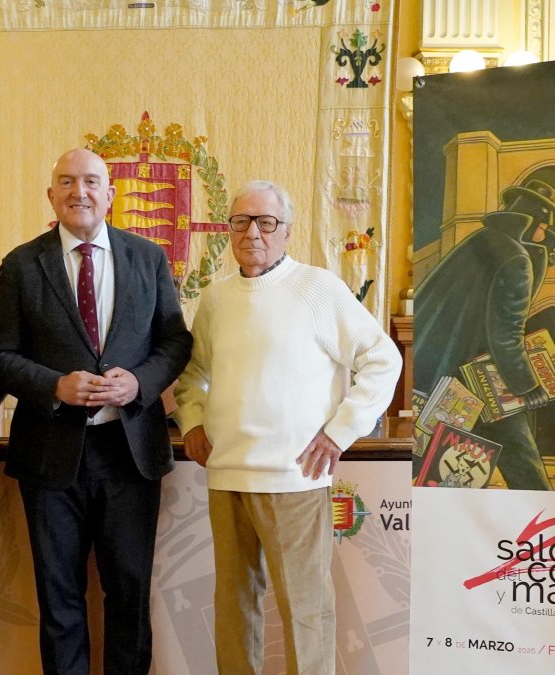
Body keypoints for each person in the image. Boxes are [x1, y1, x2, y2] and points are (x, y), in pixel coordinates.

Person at [173, 180, 401, 675]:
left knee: (305, 608)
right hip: (226, 474)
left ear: (287, 231)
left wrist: (340, 431)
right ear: (228, 229)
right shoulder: (215, 298)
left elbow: (383, 358)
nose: (252, 232)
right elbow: (194, 374)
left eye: (266, 222)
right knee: (234, 607)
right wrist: (191, 420)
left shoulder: (317, 288)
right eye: (241, 221)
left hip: (293, 478)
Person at [0, 148, 192, 674]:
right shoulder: (21, 264)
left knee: (129, 591)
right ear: (51, 195)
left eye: (92, 181)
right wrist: (55, 384)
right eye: (67, 182)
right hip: (52, 456)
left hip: (130, 456)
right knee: (59, 599)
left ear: (110, 194)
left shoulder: (147, 258)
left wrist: (138, 383)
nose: (80, 191)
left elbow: (174, 342)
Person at [413, 177, 555, 490]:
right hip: (482, 382)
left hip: (444, 376)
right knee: (524, 470)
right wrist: (527, 385)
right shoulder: (516, 260)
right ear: (537, 220)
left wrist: (538, 259)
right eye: (545, 226)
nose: (547, 234)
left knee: (434, 461)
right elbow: (506, 332)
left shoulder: (482, 240)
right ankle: (549, 526)